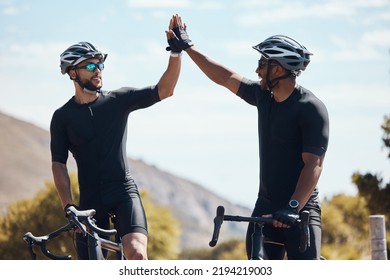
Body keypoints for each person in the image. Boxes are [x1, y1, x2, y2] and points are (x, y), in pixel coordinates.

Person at [168, 15, 329, 260]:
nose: (256, 69)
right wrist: (188, 47)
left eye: (261, 62)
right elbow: (224, 77)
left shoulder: (310, 108)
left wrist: (293, 207)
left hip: (301, 209)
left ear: (277, 68)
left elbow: (314, 164)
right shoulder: (264, 97)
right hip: (265, 207)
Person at [50, 18, 182, 260]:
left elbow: (166, 89)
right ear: (72, 72)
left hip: (123, 192)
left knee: (137, 254)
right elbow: (58, 163)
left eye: (100, 65)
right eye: (90, 66)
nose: (98, 70)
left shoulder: (117, 101)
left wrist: (175, 53)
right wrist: (68, 205)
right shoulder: (62, 117)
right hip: (89, 201)